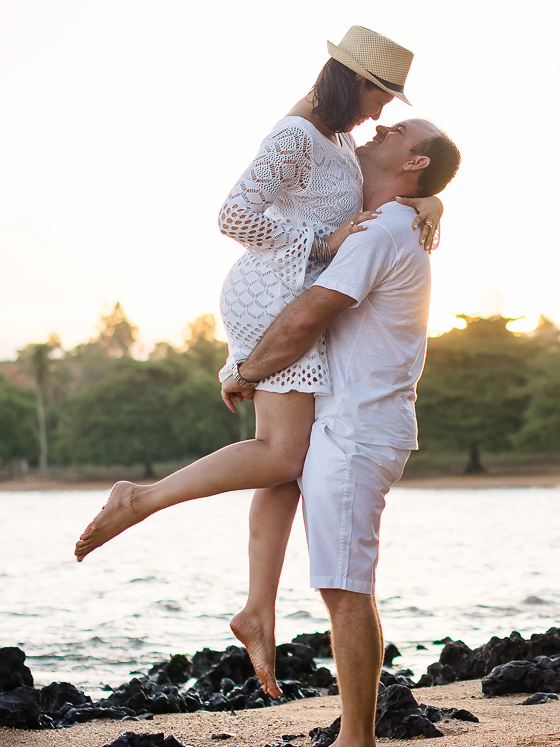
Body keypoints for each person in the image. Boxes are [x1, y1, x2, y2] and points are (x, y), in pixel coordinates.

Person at [73, 26, 442, 700]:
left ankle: (256, 607)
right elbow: (234, 215)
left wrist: (429, 197)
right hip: (272, 298)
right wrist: (320, 239)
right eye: (379, 95)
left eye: (390, 103)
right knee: (280, 455)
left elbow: (383, 187)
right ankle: (143, 499)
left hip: (289, 298)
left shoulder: (334, 140)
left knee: (288, 461)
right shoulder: (296, 134)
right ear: (351, 79)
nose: (380, 113)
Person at [219, 118, 460, 747]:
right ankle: (265, 620)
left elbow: (305, 317)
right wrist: (432, 199)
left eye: (398, 126)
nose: (379, 121)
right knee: (336, 576)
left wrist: (244, 370)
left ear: (412, 161)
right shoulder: (390, 217)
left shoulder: (383, 229)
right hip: (346, 423)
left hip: (358, 429)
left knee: (346, 584)